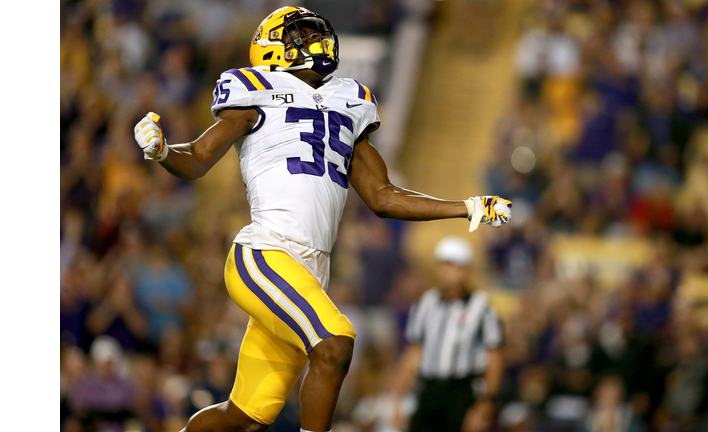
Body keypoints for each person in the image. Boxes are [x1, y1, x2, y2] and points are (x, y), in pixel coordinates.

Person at [132, 6, 513, 432]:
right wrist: (164, 151)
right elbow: (199, 158)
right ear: (271, 49)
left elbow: (384, 196)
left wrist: (467, 207)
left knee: (245, 417)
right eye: (299, 36)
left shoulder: (349, 100)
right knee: (334, 343)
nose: (315, 42)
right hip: (265, 253)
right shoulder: (254, 88)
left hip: (311, 272)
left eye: (314, 34)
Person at [391, 237, 505, 432]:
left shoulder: (481, 306)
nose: (449, 272)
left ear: (466, 269)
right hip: (429, 390)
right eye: (445, 265)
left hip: (461, 391)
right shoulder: (426, 303)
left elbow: (494, 356)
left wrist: (485, 404)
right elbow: (414, 352)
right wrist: (398, 400)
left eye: (455, 266)